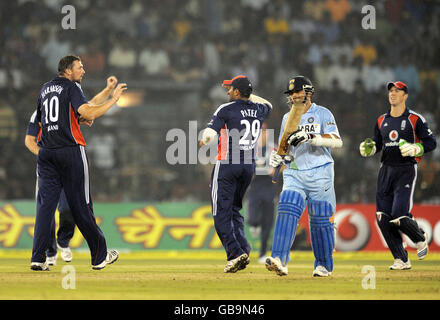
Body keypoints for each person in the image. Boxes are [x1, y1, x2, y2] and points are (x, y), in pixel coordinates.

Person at [30, 55, 127, 271]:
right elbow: (89, 109)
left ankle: (38, 257)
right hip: (70, 151)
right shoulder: (71, 86)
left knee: (45, 208)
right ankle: (100, 256)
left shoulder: (45, 89)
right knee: (81, 205)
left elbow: (46, 120)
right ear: (67, 70)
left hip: (46, 153)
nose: (83, 71)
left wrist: (79, 119)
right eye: (79, 67)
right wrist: (114, 99)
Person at [267, 76, 342, 277]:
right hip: (295, 171)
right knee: (287, 205)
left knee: (320, 219)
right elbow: (284, 147)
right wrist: (278, 158)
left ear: (308, 92)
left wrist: (311, 137)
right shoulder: (287, 117)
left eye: (298, 91)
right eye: (291, 93)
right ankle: (279, 259)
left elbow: (337, 141)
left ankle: (324, 265)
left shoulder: (322, 113)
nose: (294, 96)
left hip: (320, 172)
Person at [359, 81, 436, 270]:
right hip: (385, 169)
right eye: (391, 91)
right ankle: (401, 259)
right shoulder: (380, 120)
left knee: (399, 215)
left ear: (405, 96)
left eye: (397, 91)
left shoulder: (415, 119)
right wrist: (370, 148)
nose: (392, 94)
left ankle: (419, 238)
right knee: (382, 217)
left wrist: (417, 148)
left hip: (406, 169)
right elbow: (378, 143)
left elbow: (431, 142)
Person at [200, 75, 272, 273]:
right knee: (234, 209)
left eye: (231, 89)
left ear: (238, 92)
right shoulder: (259, 109)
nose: (227, 92)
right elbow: (269, 104)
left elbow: (209, 132)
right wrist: (248, 95)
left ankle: (234, 253)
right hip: (248, 167)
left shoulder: (226, 109)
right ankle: (244, 249)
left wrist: (205, 139)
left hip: (227, 164)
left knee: (220, 213)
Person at [246, 123, 276, 264]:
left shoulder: (273, 148)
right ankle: (253, 224)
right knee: (253, 216)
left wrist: (275, 172)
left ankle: (263, 252)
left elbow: (283, 164)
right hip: (255, 186)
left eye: (264, 131)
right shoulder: (251, 149)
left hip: (269, 186)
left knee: (268, 221)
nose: (262, 134)